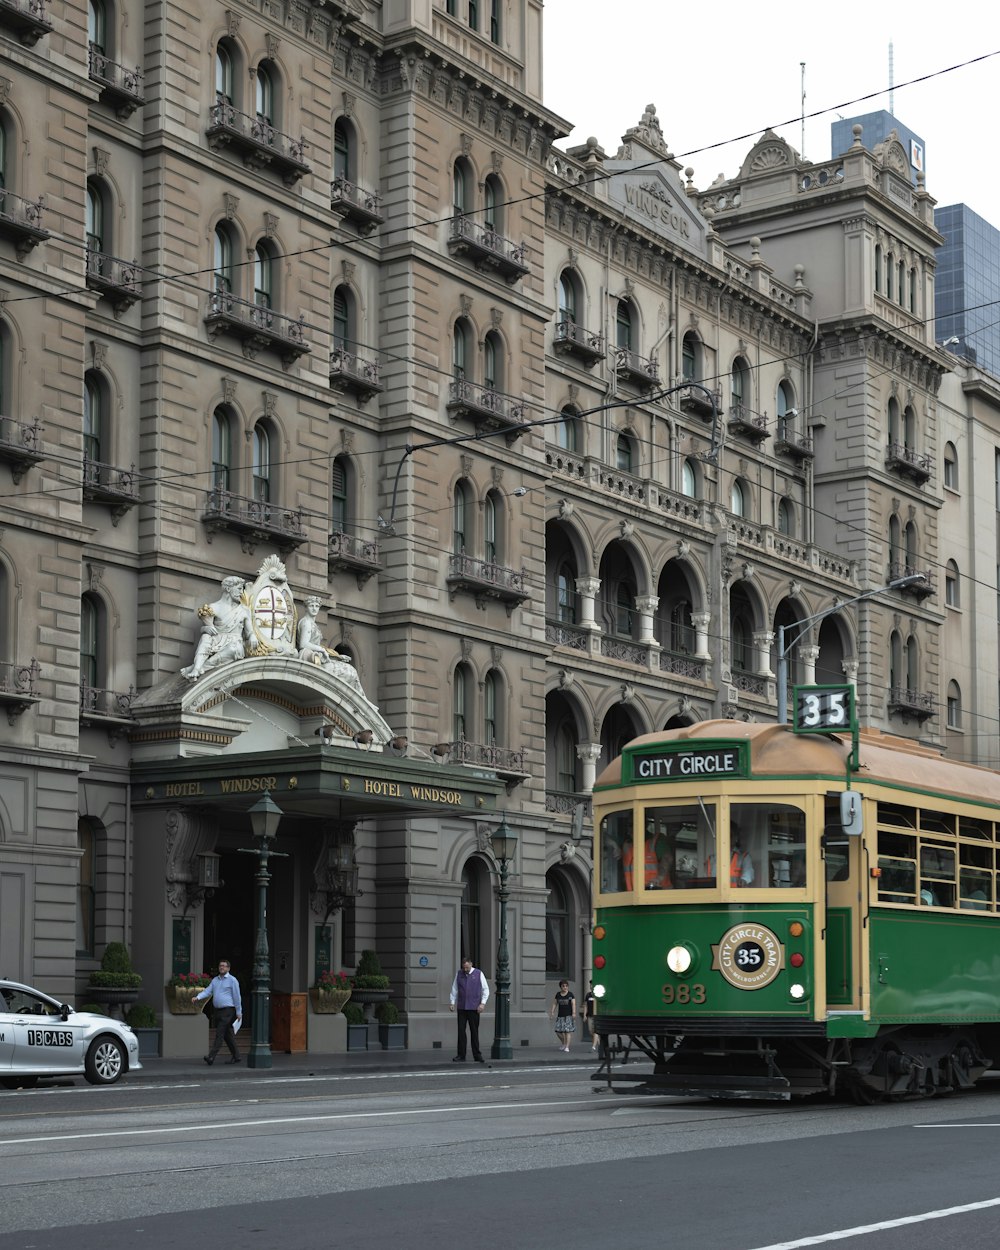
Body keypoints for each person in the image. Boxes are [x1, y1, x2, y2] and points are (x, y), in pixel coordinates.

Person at [181, 576, 253, 679]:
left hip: (235, 643)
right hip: (217, 639)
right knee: (205, 637)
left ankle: (199, 668)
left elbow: (250, 632)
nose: (241, 593)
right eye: (239, 589)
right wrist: (205, 629)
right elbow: (206, 627)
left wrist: (252, 636)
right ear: (228, 589)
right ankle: (197, 668)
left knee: (234, 648)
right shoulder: (213, 607)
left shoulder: (244, 610)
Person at [193, 959, 243, 1065]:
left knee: (219, 1033)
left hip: (228, 1011)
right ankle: (237, 1056)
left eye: (224, 966)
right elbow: (208, 991)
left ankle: (211, 1057)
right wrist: (198, 997)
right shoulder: (215, 980)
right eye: (220, 965)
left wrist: (239, 1012)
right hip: (218, 1011)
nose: (222, 967)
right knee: (226, 1035)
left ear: (228, 968)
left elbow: (237, 997)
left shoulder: (232, 980)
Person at [449, 956, 489, 1062]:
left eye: (467, 967)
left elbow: (485, 989)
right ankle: (461, 1055)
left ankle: (477, 1055)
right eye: (464, 968)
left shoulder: (479, 973)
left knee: (474, 1032)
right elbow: (454, 989)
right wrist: (452, 1002)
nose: (465, 970)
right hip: (462, 1007)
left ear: (471, 964)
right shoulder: (459, 974)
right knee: (461, 1031)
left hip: (474, 1008)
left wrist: (482, 1004)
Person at [550, 979, 576, 1051]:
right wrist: (552, 1012)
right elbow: (555, 1003)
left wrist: (574, 1013)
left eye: (566, 986)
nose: (565, 987)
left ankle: (567, 1047)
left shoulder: (570, 994)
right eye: (563, 986)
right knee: (558, 1031)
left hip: (568, 1016)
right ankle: (564, 1043)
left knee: (567, 1031)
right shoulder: (558, 994)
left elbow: (573, 1004)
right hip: (560, 1016)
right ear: (560, 987)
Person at [582, 981, 596, 1049]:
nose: (591, 986)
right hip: (590, 1015)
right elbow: (586, 1005)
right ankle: (599, 1044)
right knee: (591, 1031)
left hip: (597, 1016)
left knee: (596, 1031)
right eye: (590, 985)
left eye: (593, 985)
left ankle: (593, 1046)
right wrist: (584, 1015)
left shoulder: (598, 994)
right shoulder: (588, 995)